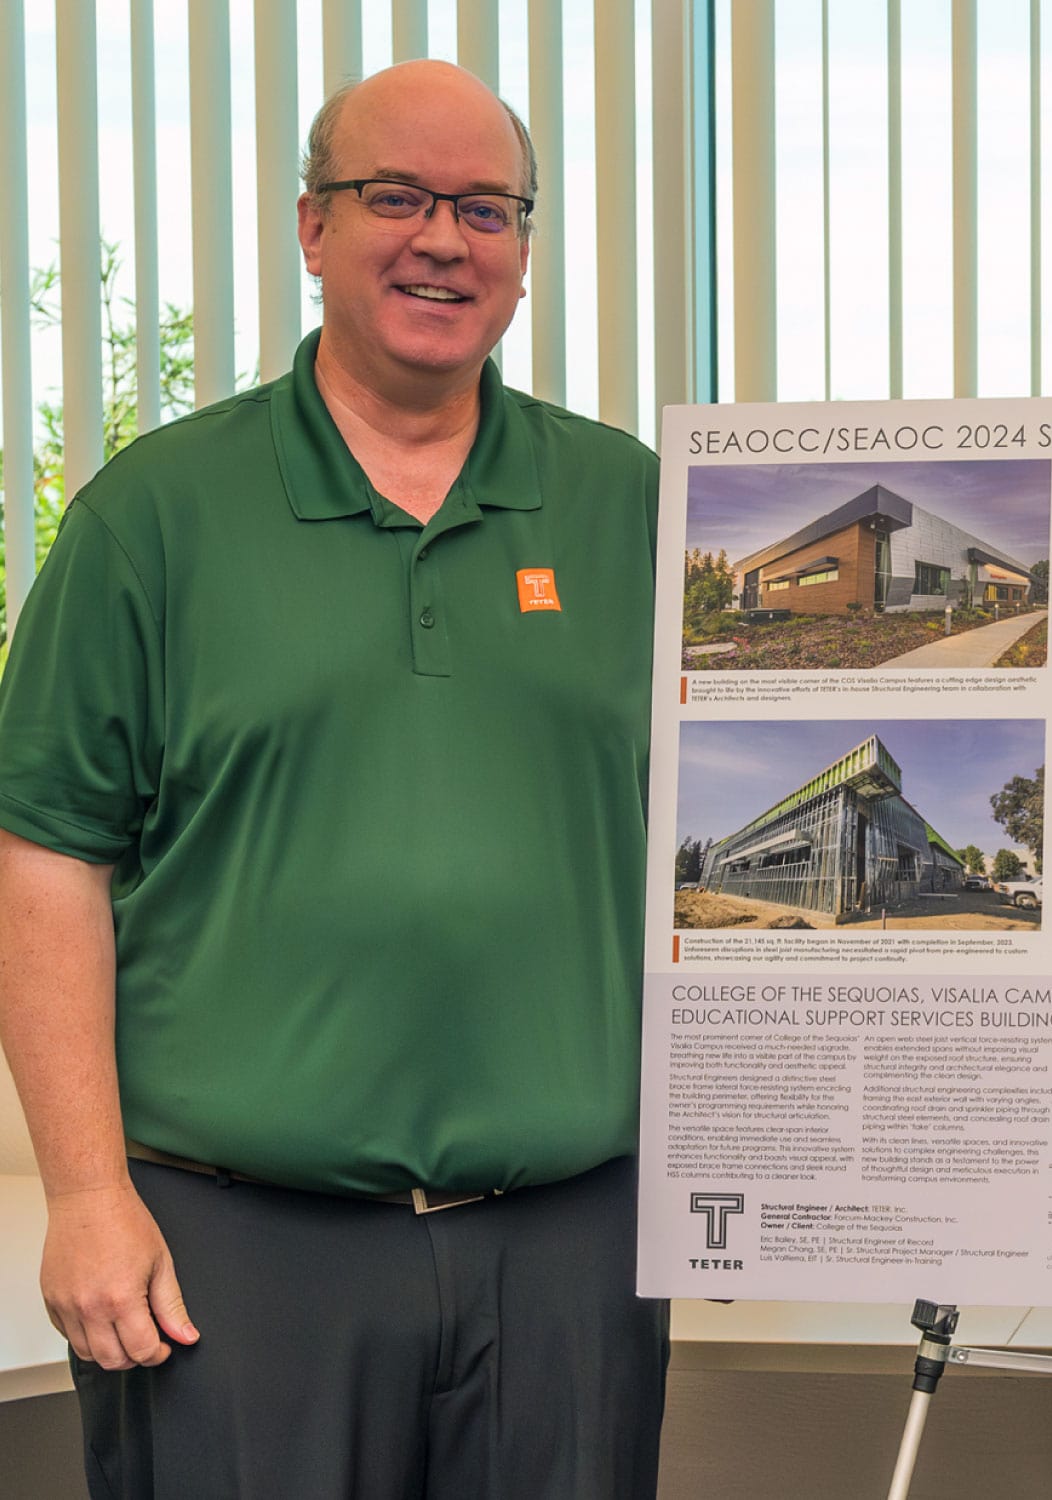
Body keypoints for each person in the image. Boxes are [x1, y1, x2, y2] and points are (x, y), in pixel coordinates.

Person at [0, 61, 666, 1499]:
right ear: (313, 228)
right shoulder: (153, 519)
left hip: (573, 1241)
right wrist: (83, 1194)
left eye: (485, 207)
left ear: (527, 250)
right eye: (397, 198)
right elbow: (46, 854)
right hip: (235, 1248)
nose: (444, 239)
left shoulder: (639, 511)